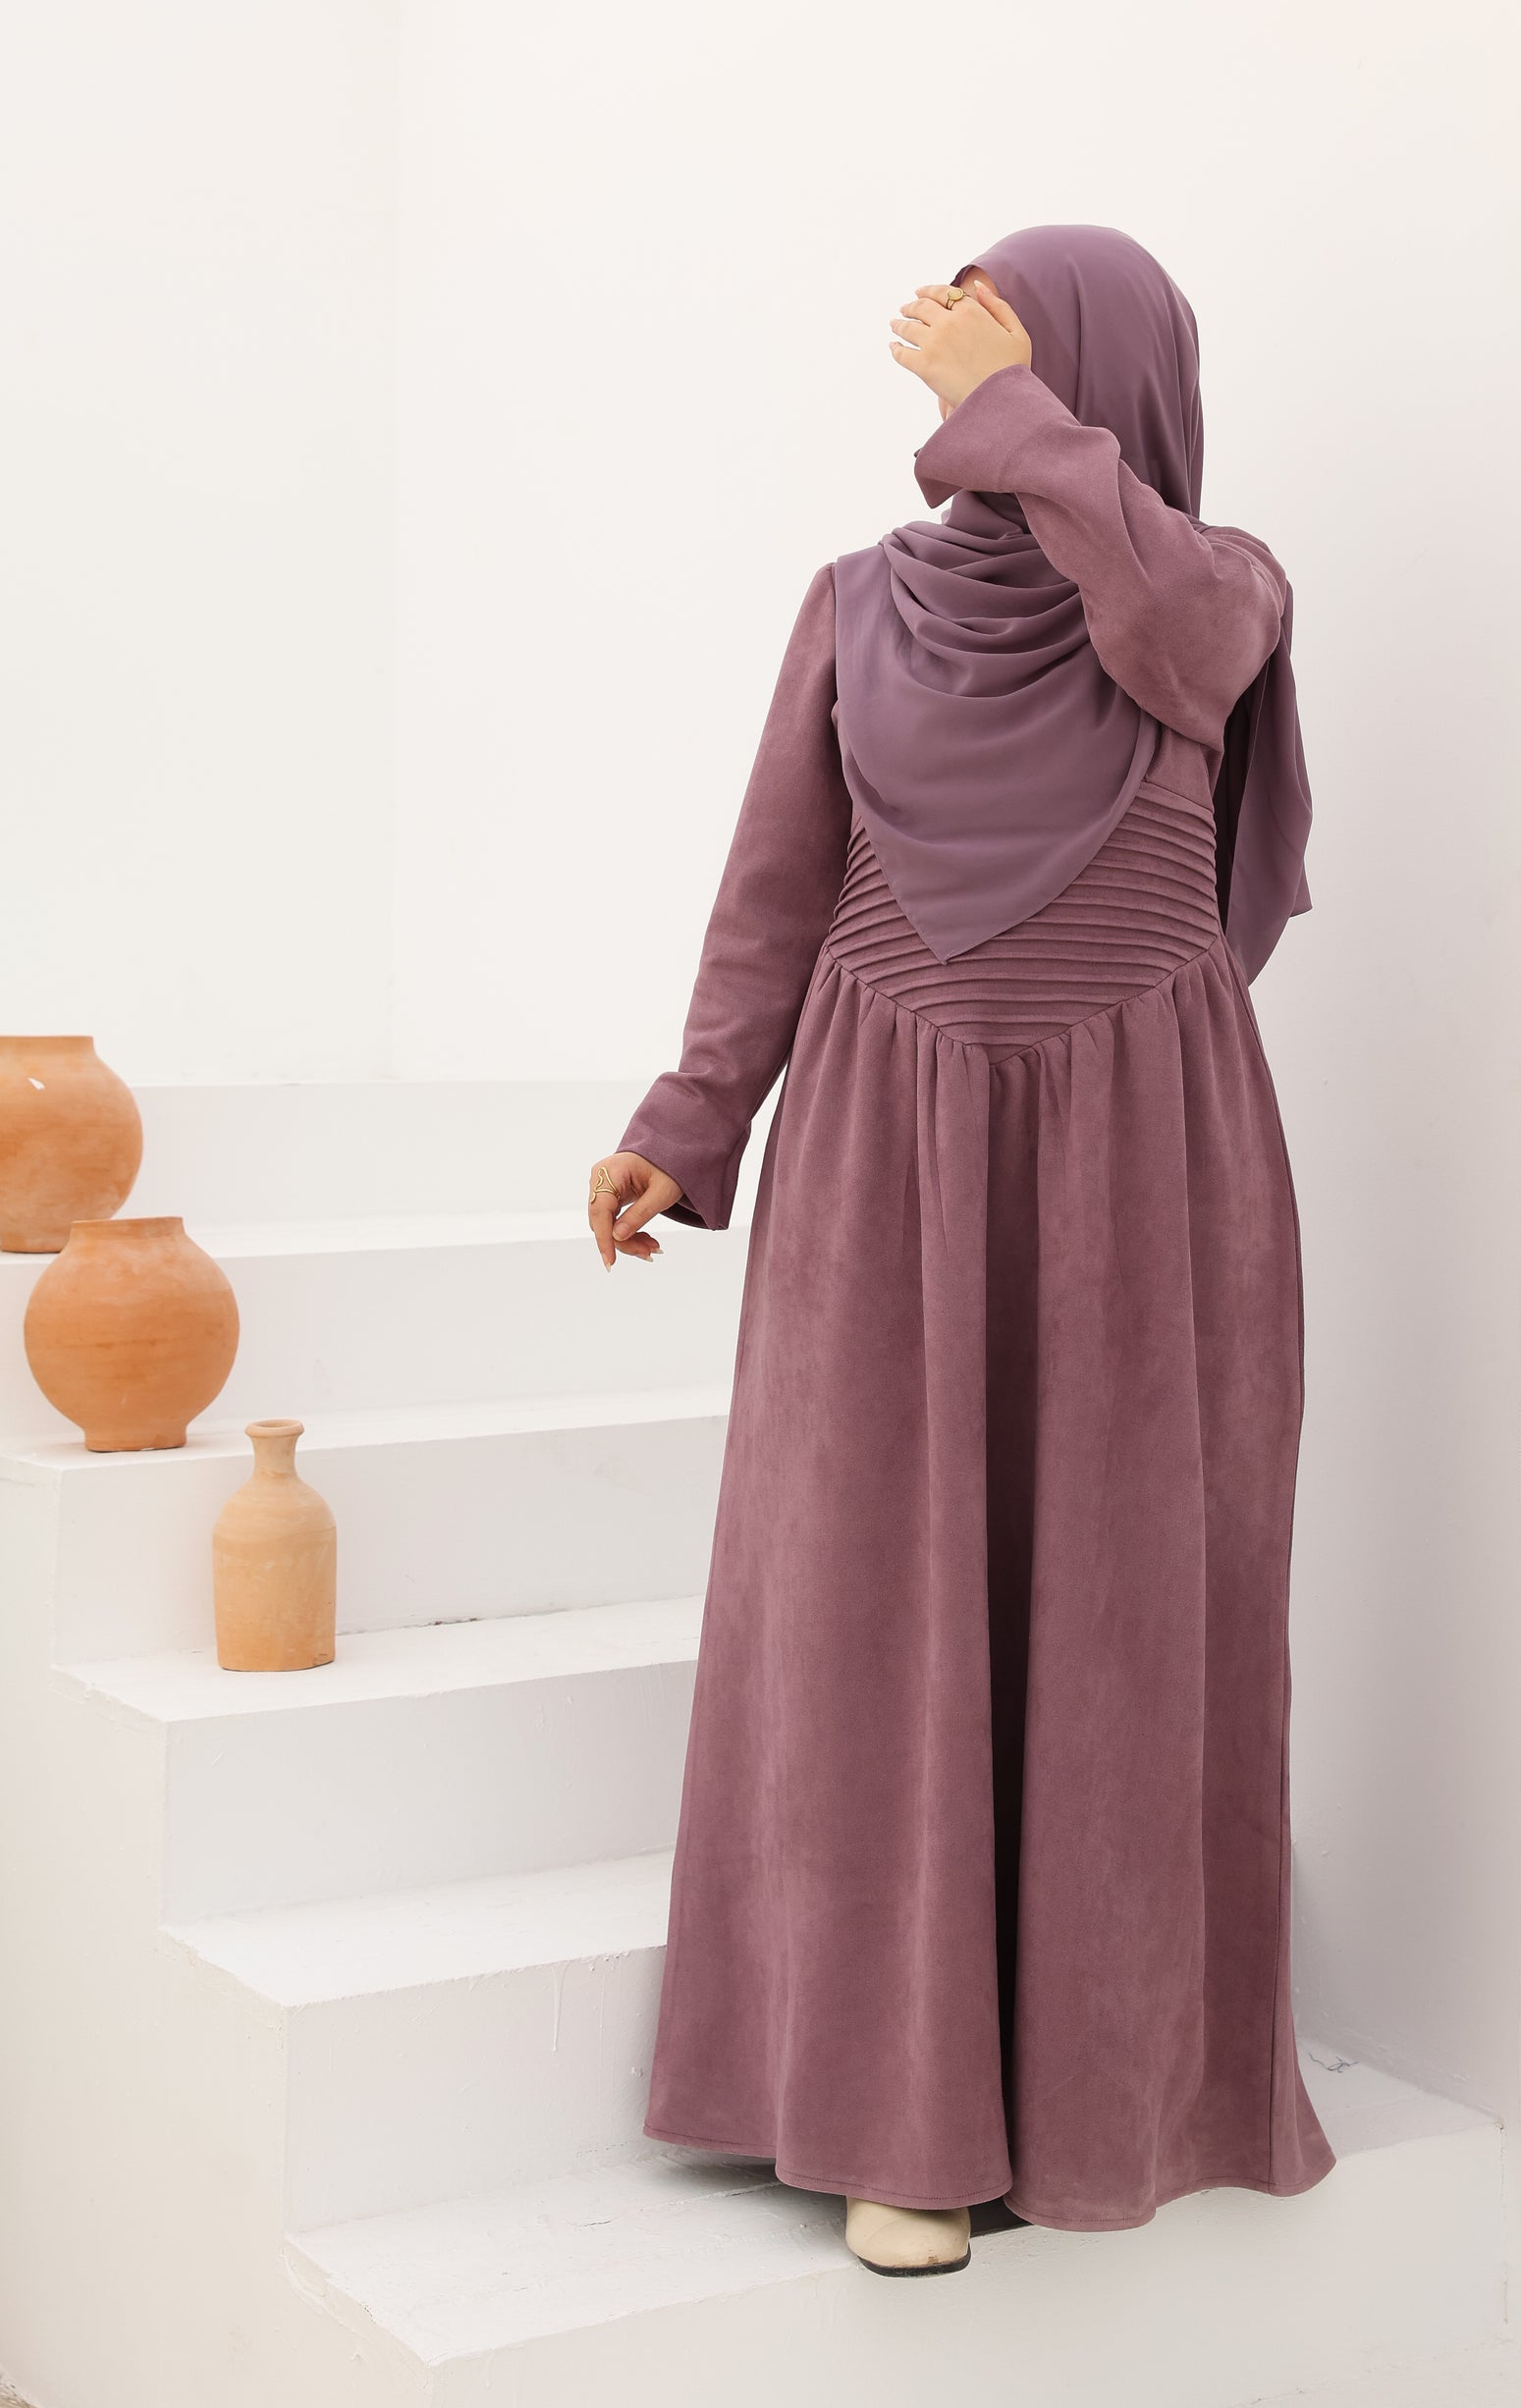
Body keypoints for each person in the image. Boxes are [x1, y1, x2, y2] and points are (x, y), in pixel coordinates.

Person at [588, 225, 1335, 2278]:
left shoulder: (1215, 588)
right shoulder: (857, 605)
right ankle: (890, 2117)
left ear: (1104, 381)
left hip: (1144, 1169)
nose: (965, 361)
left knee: (1123, 1618)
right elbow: (774, 887)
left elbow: (1175, 635)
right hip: (883, 1151)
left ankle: (1114, 2095)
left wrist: (1005, 418)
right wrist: (685, 1120)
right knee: (868, 1610)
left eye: (1017, 338)